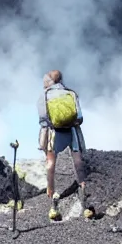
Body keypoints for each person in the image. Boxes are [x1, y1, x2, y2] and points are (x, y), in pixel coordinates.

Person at [37, 70, 93, 220]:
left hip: (53, 133)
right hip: (72, 132)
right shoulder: (71, 93)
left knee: (51, 164)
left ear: (50, 81)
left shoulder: (44, 96)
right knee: (78, 162)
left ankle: (52, 202)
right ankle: (84, 197)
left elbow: (43, 120)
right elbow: (80, 117)